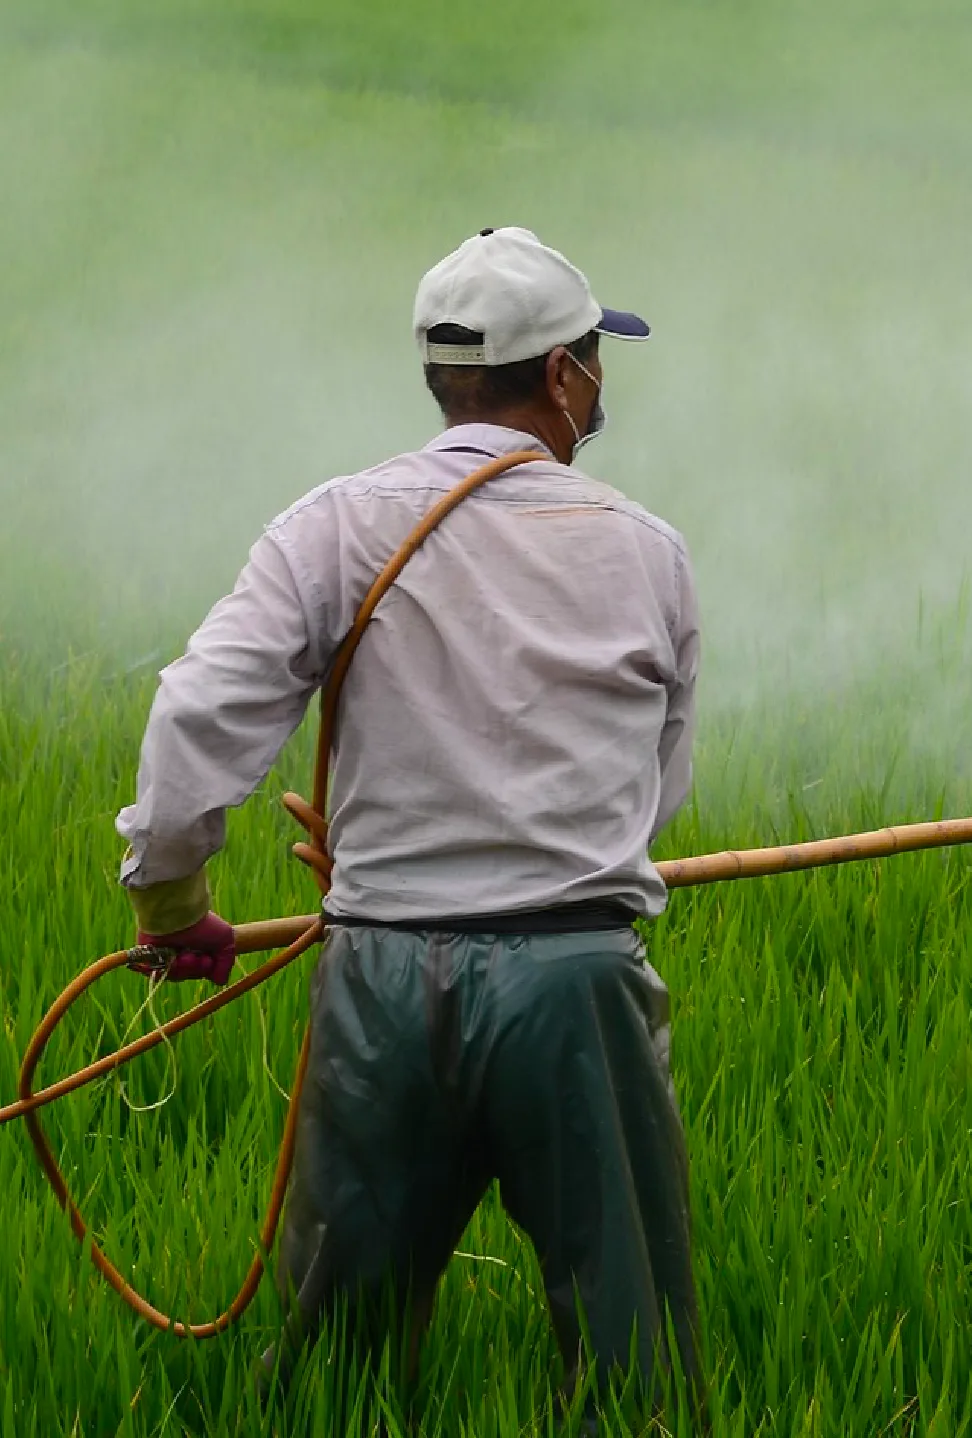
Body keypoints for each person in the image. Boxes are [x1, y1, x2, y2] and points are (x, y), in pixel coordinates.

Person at [116, 226, 703, 1421]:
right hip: (577, 981)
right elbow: (657, 794)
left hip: (381, 975)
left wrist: (174, 906)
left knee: (339, 1367)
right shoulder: (646, 552)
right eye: (593, 356)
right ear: (559, 375)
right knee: (630, 1359)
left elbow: (195, 715)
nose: (597, 379)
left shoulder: (333, 524)